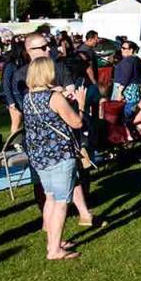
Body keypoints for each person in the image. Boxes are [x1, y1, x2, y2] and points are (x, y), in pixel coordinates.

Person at [23, 57, 88, 260]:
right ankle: (54, 250)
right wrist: (81, 104)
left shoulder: (28, 97)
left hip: (40, 156)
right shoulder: (54, 98)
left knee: (50, 198)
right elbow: (77, 123)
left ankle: (54, 241)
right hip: (59, 155)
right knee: (61, 202)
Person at [112, 40, 141, 118]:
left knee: (120, 114)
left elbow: (126, 77)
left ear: (131, 50)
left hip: (125, 90)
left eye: (124, 48)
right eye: (121, 48)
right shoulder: (138, 60)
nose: (121, 50)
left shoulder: (128, 60)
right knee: (131, 114)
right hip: (135, 91)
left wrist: (119, 92)